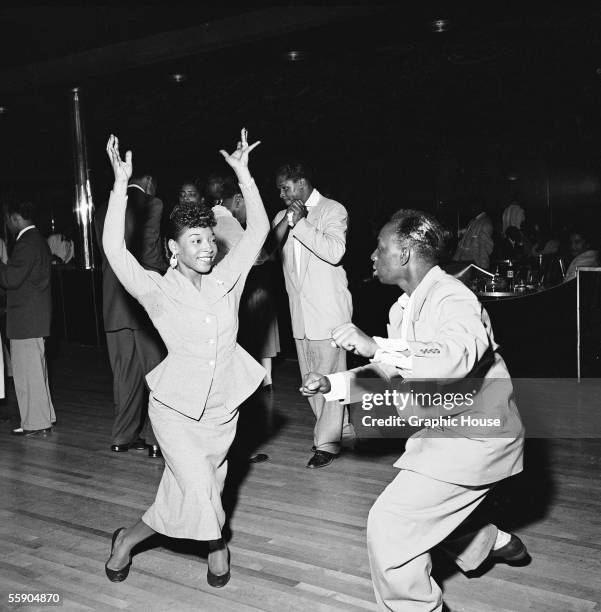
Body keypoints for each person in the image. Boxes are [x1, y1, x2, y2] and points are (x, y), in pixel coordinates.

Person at [301, 209, 527, 611]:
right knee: (420, 514)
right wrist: (334, 384)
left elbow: (454, 358)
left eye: (380, 247)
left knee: (390, 527)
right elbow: (394, 368)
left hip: (477, 438)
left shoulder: (453, 296)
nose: (372, 255)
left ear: (405, 253)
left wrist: (377, 345)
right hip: (444, 434)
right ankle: (488, 541)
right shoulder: (402, 308)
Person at [102, 128, 268, 588]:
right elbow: (114, 250)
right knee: (199, 491)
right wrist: (120, 188)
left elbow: (258, 231)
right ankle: (218, 546)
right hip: (176, 411)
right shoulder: (157, 290)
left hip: (222, 411)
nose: (207, 247)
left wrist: (244, 176)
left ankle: (126, 541)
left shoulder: (227, 279)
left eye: (208, 239)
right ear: (174, 249)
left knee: (190, 496)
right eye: (195, 240)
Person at [270, 162, 354, 469]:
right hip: (300, 314)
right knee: (311, 382)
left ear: (302, 182)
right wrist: (287, 222)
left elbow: (334, 252)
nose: (281, 194)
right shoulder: (281, 217)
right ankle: (340, 431)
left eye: (285, 187)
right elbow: (267, 254)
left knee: (329, 379)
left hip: (329, 313)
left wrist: (302, 223)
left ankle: (327, 443)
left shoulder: (333, 210)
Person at [95, 172, 167, 457]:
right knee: (157, 373)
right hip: (142, 302)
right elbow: (150, 254)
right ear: (149, 182)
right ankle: (157, 441)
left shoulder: (103, 209)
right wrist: (170, 272)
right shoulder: (151, 203)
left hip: (113, 304)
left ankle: (122, 436)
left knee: (124, 375)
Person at [220, 174, 280, 389]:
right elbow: (259, 256)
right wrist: (284, 224)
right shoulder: (227, 221)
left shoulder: (212, 216)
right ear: (238, 199)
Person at [0, 201, 55, 436]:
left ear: (15, 218)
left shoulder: (26, 243)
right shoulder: (37, 239)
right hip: (34, 319)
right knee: (36, 373)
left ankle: (36, 423)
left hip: (26, 320)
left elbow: (11, 279)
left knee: (27, 374)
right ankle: (44, 417)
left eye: (8, 219)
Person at [453, 200, 494, 269]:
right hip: (463, 265)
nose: (469, 209)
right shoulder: (472, 221)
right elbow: (462, 243)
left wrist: (483, 270)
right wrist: (455, 261)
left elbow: (484, 249)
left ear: (478, 207)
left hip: (473, 266)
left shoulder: (485, 223)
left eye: (472, 206)